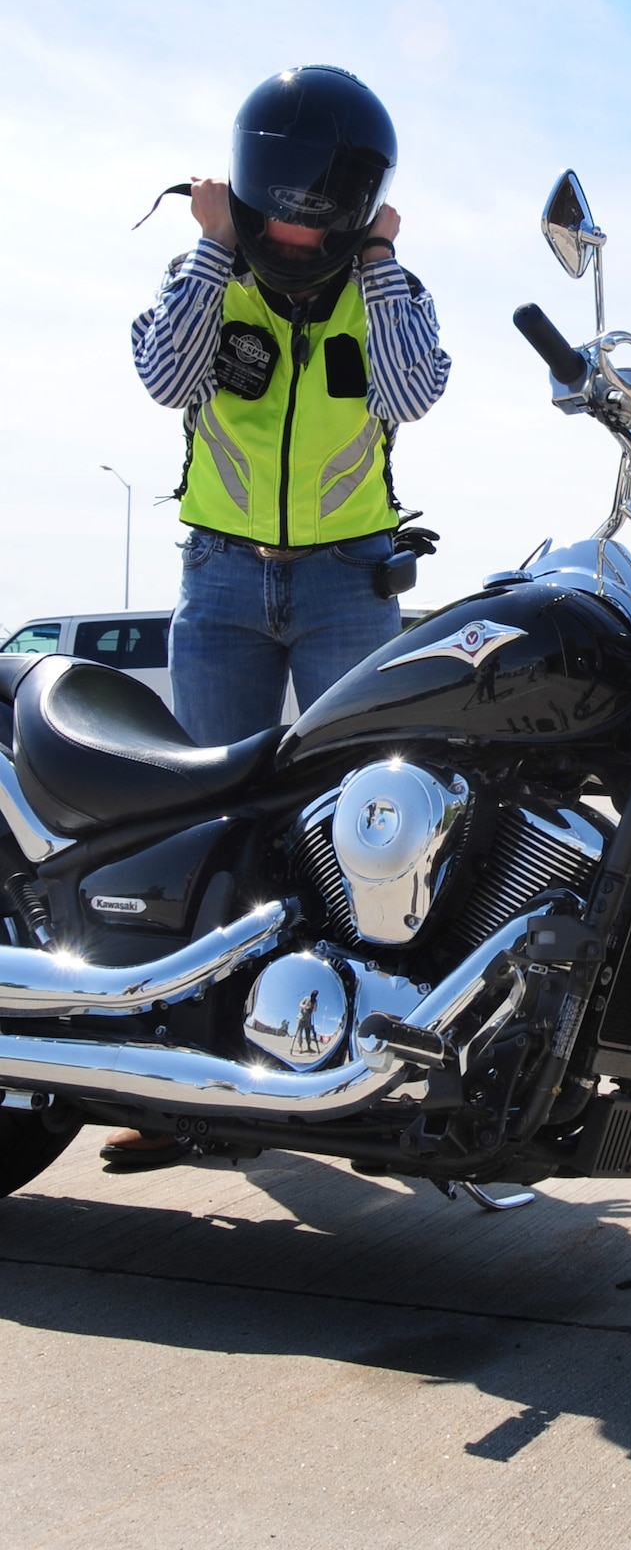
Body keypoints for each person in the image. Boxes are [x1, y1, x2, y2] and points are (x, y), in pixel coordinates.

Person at [105, 64, 450, 1170]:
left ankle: (360, 1063)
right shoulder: (209, 274)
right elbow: (163, 373)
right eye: (280, 220)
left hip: (349, 584)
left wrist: (386, 259)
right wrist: (211, 245)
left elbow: (409, 391)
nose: (297, 242)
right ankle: (182, 1085)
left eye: (324, 224)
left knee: (365, 824)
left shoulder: (381, 288)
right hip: (222, 586)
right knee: (215, 826)